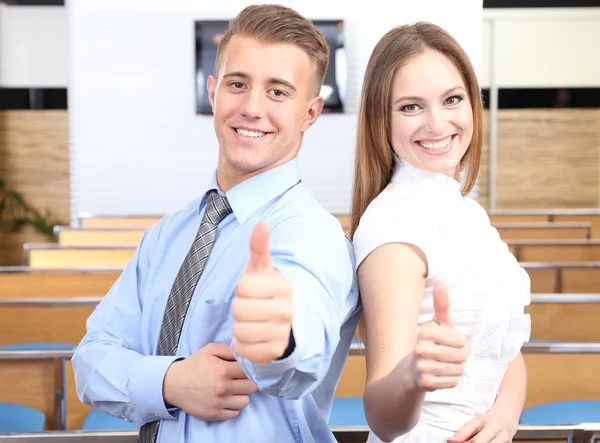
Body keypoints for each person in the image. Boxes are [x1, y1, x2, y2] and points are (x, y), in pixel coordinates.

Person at [72, 5, 361, 443]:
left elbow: (300, 357)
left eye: (278, 92)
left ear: (310, 112)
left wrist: (278, 341)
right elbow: (91, 361)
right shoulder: (167, 235)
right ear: (213, 91)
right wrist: (171, 382)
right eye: (238, 84)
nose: (251, 108)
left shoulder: (311, 235)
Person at [350, 22, 530, 443]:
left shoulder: (467, 212)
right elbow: (381, 414)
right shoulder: (393, 226)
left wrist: (505, 414)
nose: (437, 123)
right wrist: (414, 374)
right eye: (411, 106)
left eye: (452, 99)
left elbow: (504, 347)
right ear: (382, 118)